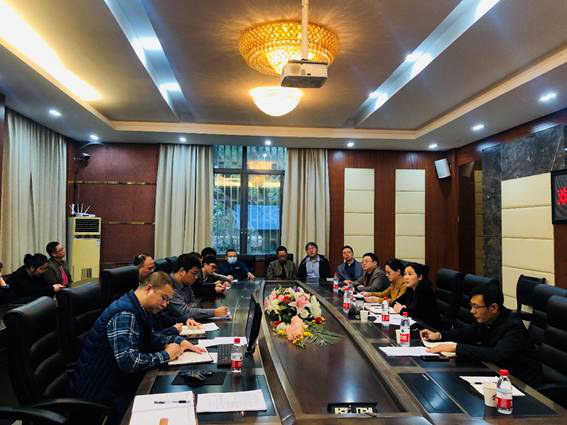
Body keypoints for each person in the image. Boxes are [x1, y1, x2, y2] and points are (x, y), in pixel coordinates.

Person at [72, 271, 205, 423]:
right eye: (164, 298)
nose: (165, 304)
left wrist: (179, 340)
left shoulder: (138, 308)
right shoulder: (125, 314)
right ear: (149, 289)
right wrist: (166, 355)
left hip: (118, 385)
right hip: (102, 397)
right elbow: (129, 362)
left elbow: (150, 337)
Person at [421, 284, 543, 385]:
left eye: (476, 307)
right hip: (495, 371)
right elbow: (467, 332)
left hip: (521, 382)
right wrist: (439, 335)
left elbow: (497, 354)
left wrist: (456, 347)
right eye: (471, 306)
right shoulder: (488, 319)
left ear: (493, 307)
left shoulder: (513, 326)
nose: (472, 311)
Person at [167, 254, 229, 321]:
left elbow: (194, 304)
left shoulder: (186, 283)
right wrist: (214, 312)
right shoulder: (169, 286)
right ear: (182, 271)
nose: (196, 277)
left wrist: (191, 310)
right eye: (194, 273)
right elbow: (185, 312)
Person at [392, 263, 441, 329]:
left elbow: (416, 314)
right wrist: (404, 309)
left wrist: (402, 310)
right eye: (405, 274)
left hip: (429, 328)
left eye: (410, 274)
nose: (406, 277)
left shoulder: (425, 290)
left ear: (420, 277)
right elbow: (395, 302)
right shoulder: (410, 288)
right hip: (416, 324)